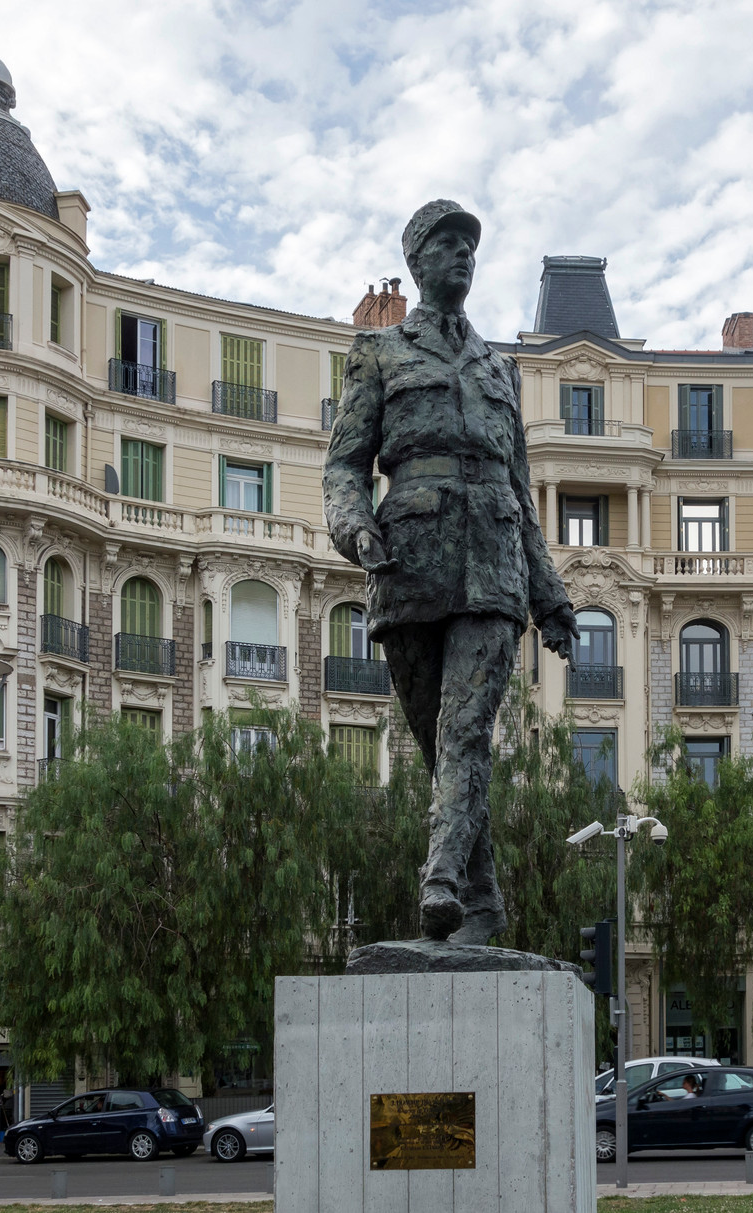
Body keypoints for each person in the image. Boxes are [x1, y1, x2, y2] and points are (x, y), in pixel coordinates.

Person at [324, 198, 578, 946]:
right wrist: (355, 529)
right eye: (447, 243)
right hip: (407, 566)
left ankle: (439, 883)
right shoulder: (377, 354)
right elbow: (344, 465)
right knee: (443, 749)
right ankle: (484, 902)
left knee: (464, 734)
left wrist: (551, 597)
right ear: (417, 262)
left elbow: (523, 493)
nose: (463, 255)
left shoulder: (499, 369)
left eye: (470, 244)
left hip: (493, 566)